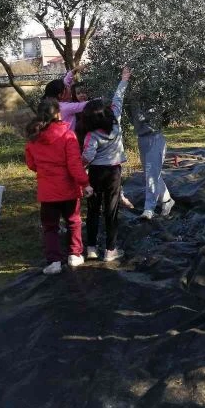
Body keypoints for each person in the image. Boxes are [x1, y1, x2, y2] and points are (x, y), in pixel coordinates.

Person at [25, 98, 93, 275]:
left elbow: (31, 164)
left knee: (50, 226)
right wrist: (85, 183)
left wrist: (45, 170)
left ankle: (54, 261)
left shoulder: (34, 137)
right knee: (73, 221)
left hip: (47, 190)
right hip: (68, 188)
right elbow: (74, 165)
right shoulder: (68, 135)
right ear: (58, 114)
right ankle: (75, 254)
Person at [80, 67, 130, 262]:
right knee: (111, 210)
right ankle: (110, 251)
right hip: (113, 173)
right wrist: (124, 79)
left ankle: (91, 249)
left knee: (93, 210)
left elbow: (88, 156)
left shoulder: (92, 135)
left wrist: (80, 167)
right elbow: (118, 98)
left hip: (95, 173)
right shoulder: (115, 120)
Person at [129, 102, 175, 220]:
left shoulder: (154, 99)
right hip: (142, 139)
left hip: (154, 138)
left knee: (151, 175)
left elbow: (162, 118)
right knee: (151, 174)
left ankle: (149, 209)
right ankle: (167, 201)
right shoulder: (133, 101)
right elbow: (133, 120)